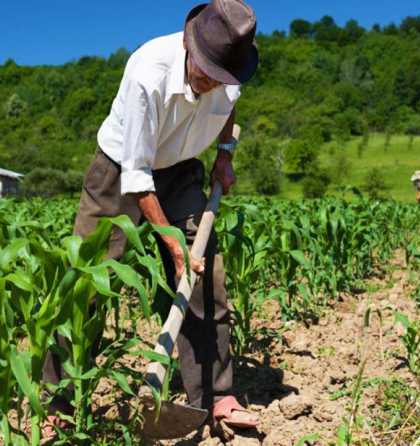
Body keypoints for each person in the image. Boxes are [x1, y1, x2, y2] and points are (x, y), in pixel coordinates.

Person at [42, 0, 260, 438]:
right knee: (86, 280)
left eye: (219, 77)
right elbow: (137, 177)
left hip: (182, 169)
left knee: (205, 276)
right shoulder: (147, 72)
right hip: (120, 169)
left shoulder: (229, 73)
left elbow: (229, 110)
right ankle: (57, 399)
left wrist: (225, 155)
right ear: (187, 44)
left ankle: (215, 397)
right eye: (203, 72)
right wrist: (171, 243)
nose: (209, 83)